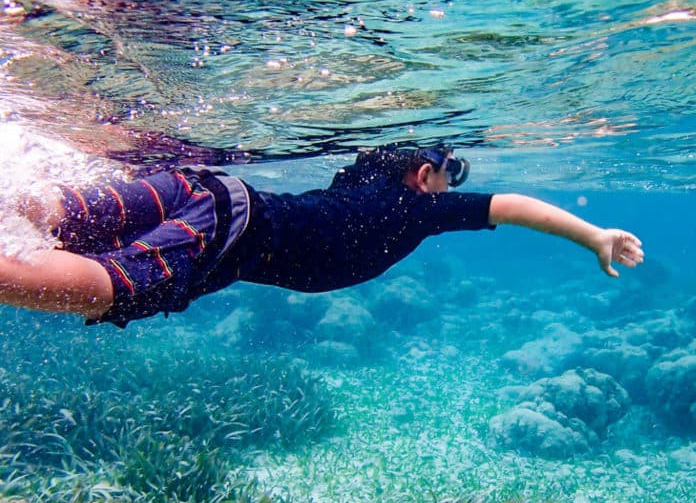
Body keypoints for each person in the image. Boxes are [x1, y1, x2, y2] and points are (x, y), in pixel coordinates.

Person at [0, 144, 644, 327]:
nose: (456, 187)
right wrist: (594, 236)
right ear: (424, 176)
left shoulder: (354, 183)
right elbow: (515, 206)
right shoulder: (413, 207)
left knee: (55, 211)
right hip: (229, 224)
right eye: (452, 175)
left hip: (201, 189)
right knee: (106, 287)